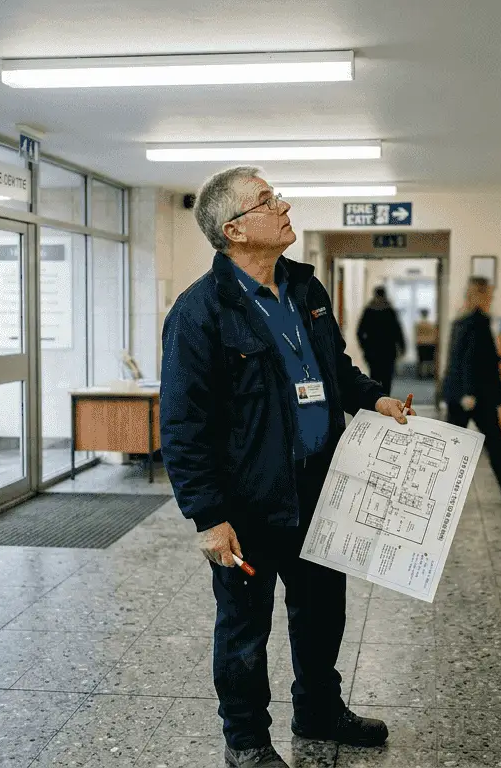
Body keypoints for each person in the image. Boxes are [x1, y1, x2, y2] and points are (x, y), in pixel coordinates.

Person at [160, 166, 414, 768]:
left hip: (323, 488)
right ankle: (246, 739)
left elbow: (335, 369)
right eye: (268, 201)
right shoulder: (200, 313)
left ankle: (319, 710)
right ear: (235, 229)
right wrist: (208, 517)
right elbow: (182, 425)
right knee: (246, 628)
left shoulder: (305, 288)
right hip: (249, 502)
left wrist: (372, 396)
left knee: (323, 610)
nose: (284, 205)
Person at [441, 277, 501, 507]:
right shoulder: (478, 321)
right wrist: (469, 393)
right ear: (480, 295)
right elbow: (469, 359)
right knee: (492, 442)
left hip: (461, 393)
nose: (492, 300)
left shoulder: (460, 320)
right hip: (475, 395)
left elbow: (467, 356)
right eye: (490, 295)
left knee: (455, 446)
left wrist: (497, 358)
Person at [356, 286, 406, 395]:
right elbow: (398, 331)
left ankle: (377, 400)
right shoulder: (390, 310)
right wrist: (402, 347)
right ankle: (386, 397)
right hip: (388, 351)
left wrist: (365, 347)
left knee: (374, 377)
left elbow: (359, 332)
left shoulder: (369, 310)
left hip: (373, 351)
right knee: (387, 378)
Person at [415, 309, 438, 378]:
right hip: (430, 343)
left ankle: (420, 373)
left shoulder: (418, 324)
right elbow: (434, 333)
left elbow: (416, 334)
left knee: (421, 360)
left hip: (421, 343)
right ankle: (430, 373)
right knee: (430, 360)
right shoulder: (431, 325)